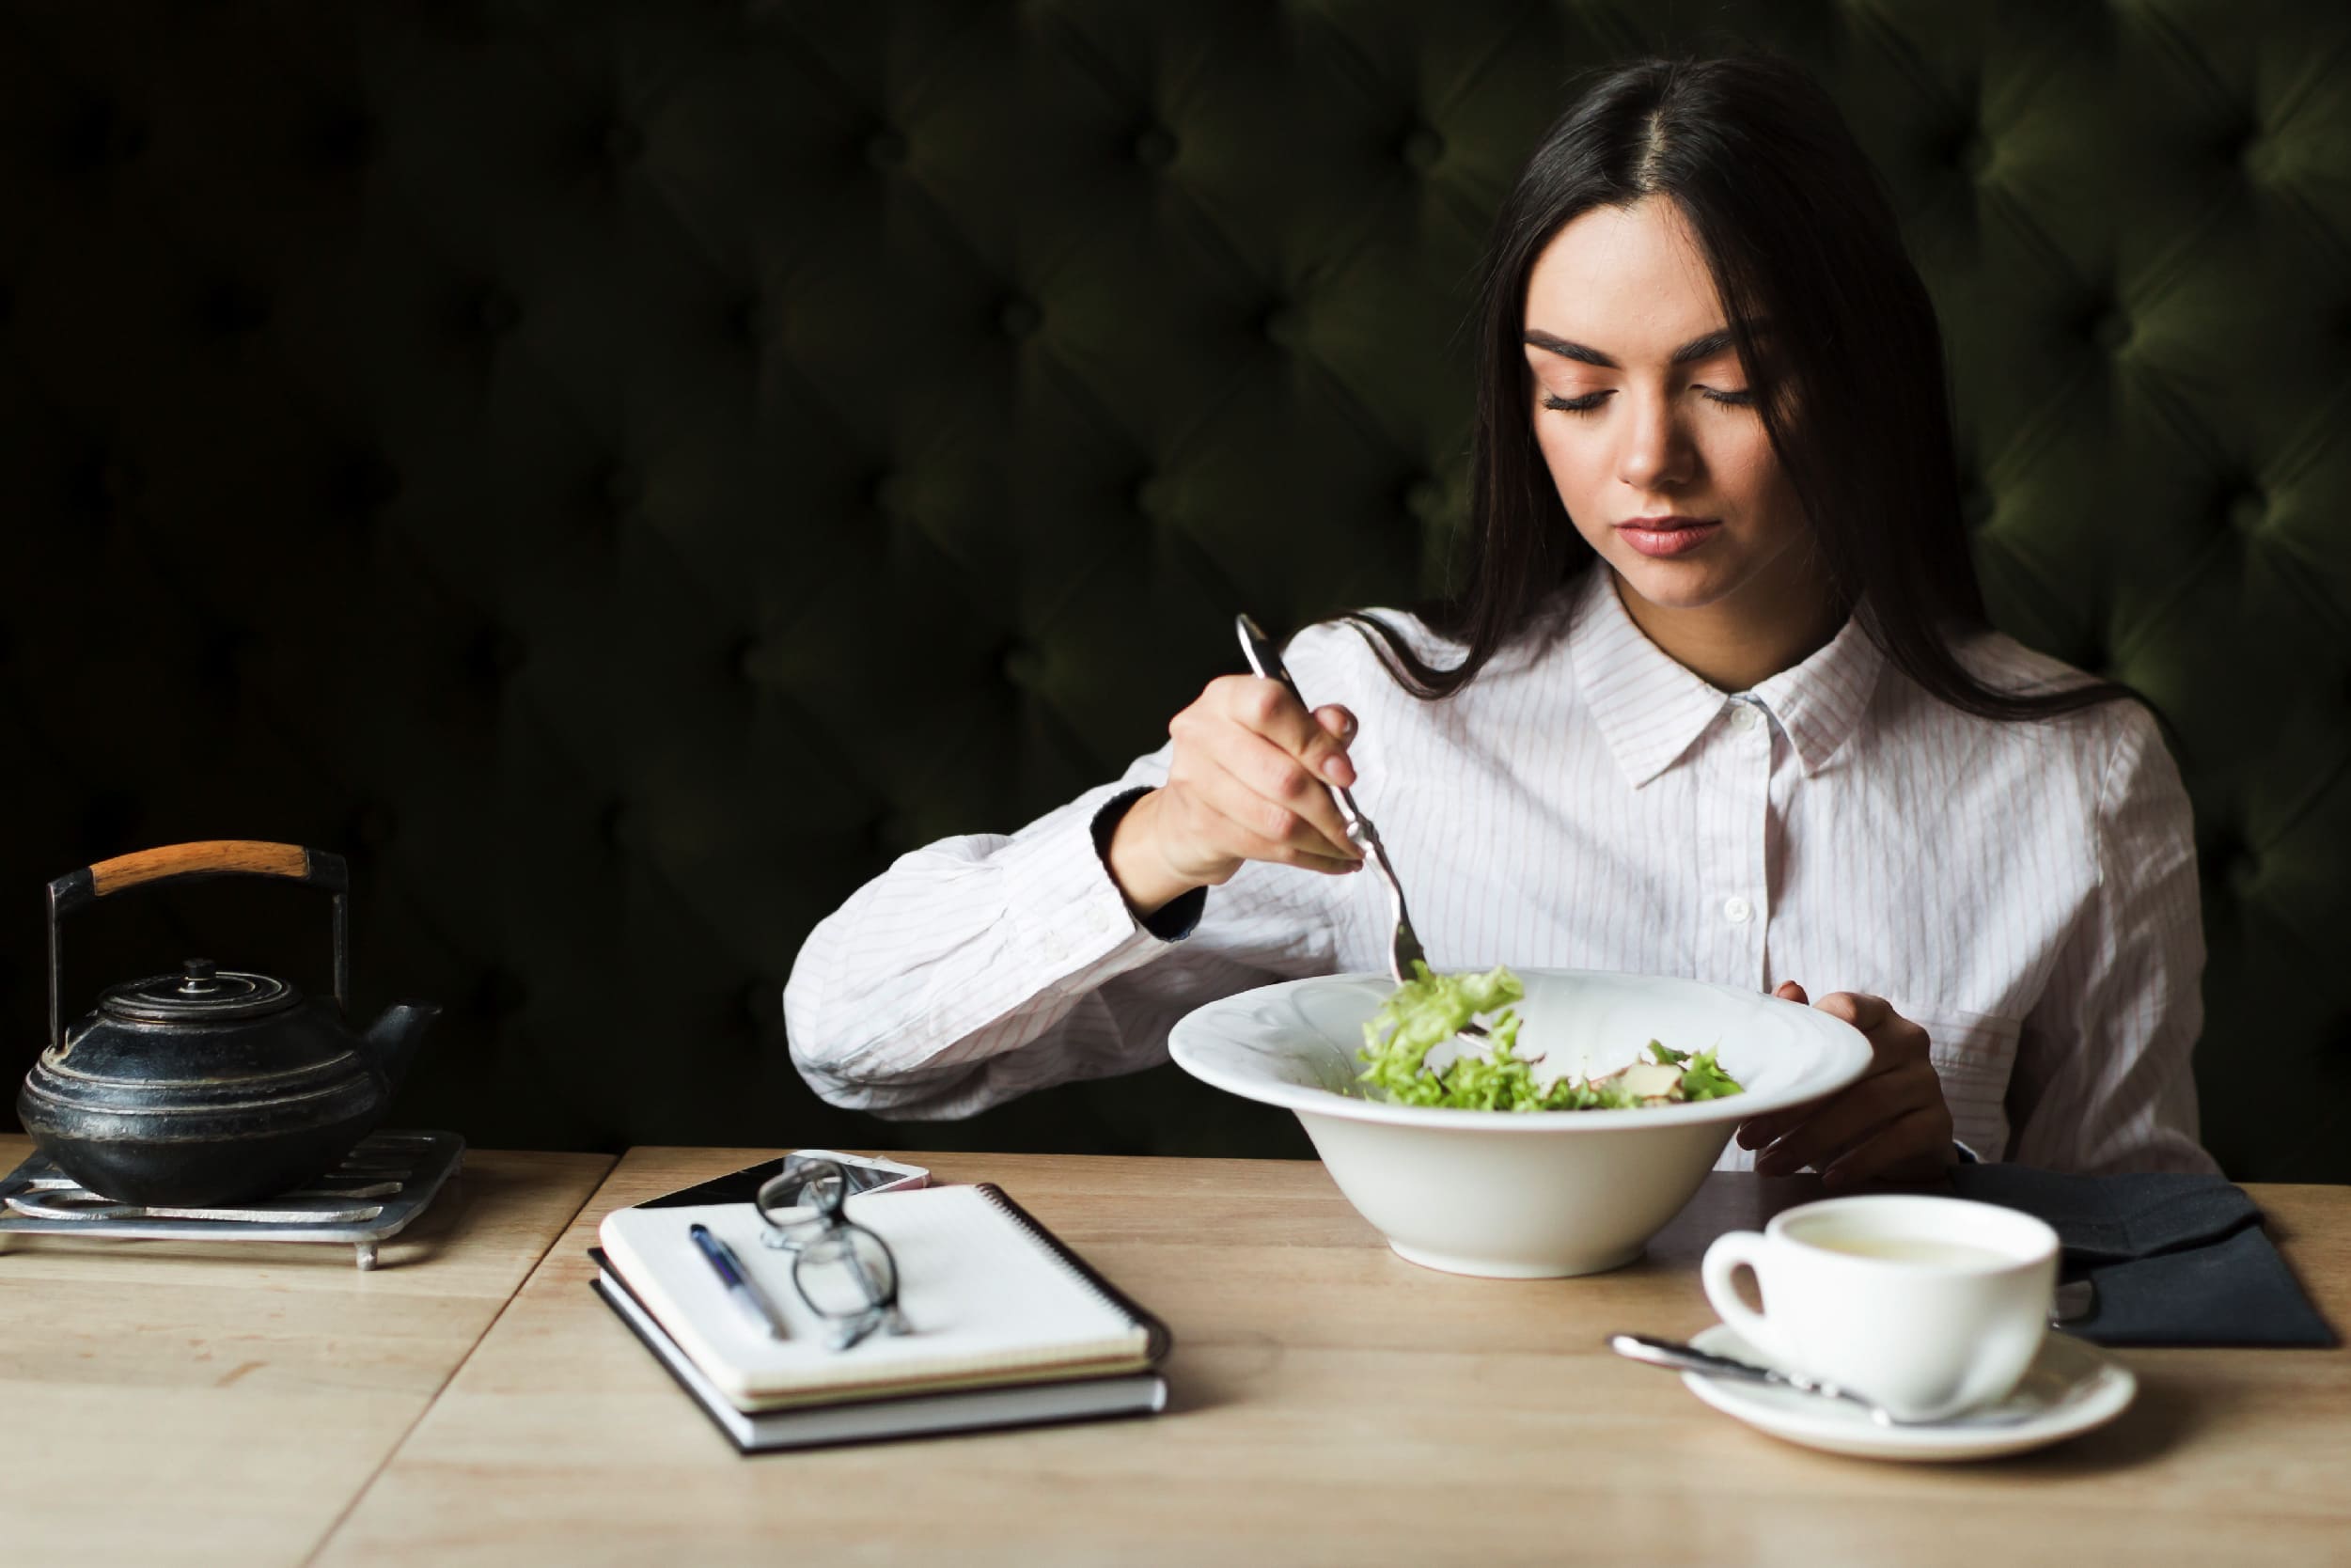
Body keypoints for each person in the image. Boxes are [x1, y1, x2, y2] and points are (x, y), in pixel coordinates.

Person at [784, 55, 2217, 1182]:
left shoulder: (2076, 774)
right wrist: (1161, 841)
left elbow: (2156, 1228)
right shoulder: (1380, 725)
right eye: (1577, 392)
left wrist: (1947, 1172)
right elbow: (854, 1046)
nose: (1643, 459)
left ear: (1860, 378)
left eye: (1726, 384)